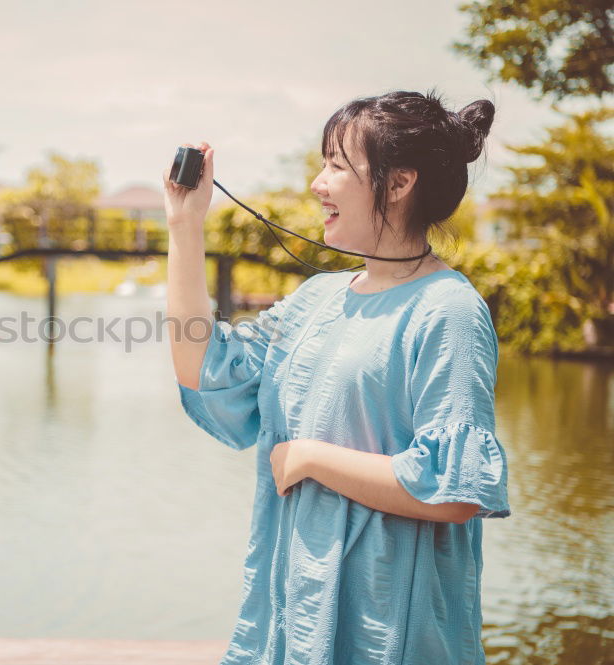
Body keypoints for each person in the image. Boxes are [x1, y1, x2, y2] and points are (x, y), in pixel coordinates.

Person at [163, 89, 511, 665]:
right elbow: (204, 369)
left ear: (399, 183)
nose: (317, 185)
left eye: (335, 166)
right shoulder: (317, 298)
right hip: (292, 619)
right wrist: (185, 226)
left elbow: (455, 493)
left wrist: (309, 458)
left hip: (389, 636)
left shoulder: (448, 309)